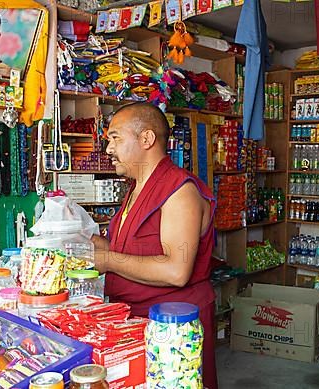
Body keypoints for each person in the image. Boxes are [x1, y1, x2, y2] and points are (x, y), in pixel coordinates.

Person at [91, 102, 218, 389]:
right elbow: (133, 247)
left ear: (146, 139)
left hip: (174, 327)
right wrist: (95, 245)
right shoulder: (136, 188)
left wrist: (108, 259)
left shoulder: (179, 190)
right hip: (136, 318)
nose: (108, 149)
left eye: (115, 138)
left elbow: (176, 270)